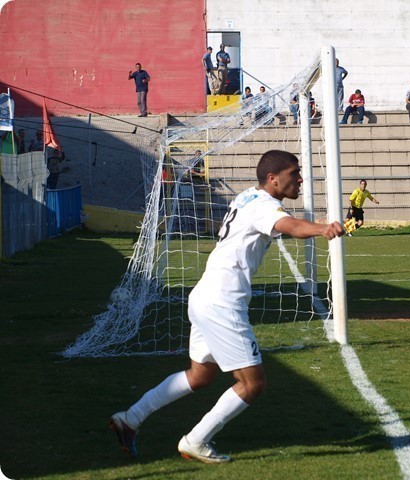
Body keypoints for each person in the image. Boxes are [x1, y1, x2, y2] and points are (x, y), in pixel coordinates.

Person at [109, 150, 345, 463]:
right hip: (223, 302)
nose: (300, 179)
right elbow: (290, 226)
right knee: (252, 383)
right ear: (272, 179)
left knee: (200, 375)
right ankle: (195, 440)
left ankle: (130, 418)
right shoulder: (263, 205)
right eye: (294, 173)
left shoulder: (248, 196)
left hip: (205, 296)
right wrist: (323, 228)